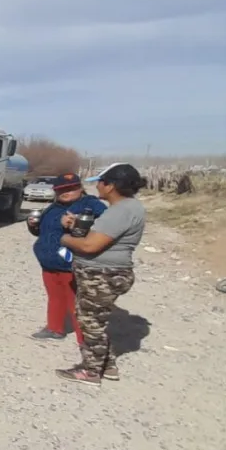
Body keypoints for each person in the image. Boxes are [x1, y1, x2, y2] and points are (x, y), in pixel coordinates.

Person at [57, 163, 148, 386]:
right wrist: (78, 226)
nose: (97, 186)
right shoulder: (129, 207)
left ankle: (91, 371)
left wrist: (65, 239)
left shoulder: (120, 211)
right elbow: (104, 236)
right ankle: (107, 365)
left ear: (111, 186)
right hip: (109, 273)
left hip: (102, 275)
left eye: (100, 182)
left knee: (90, 323)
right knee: (97, 320)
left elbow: (90, 246)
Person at [28, 173, 107, 342]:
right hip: (49, 262)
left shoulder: (91, 204)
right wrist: (33, 225)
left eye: (71, 188)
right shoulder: (53, 207)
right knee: (55, 297)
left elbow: (107, 226)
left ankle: (85, 341)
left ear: (80, 188)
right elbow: (42, 232)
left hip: (71, 263)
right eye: (61, 190)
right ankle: (54, 328)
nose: (65, 192)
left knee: (75, 303)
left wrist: (78, 223)